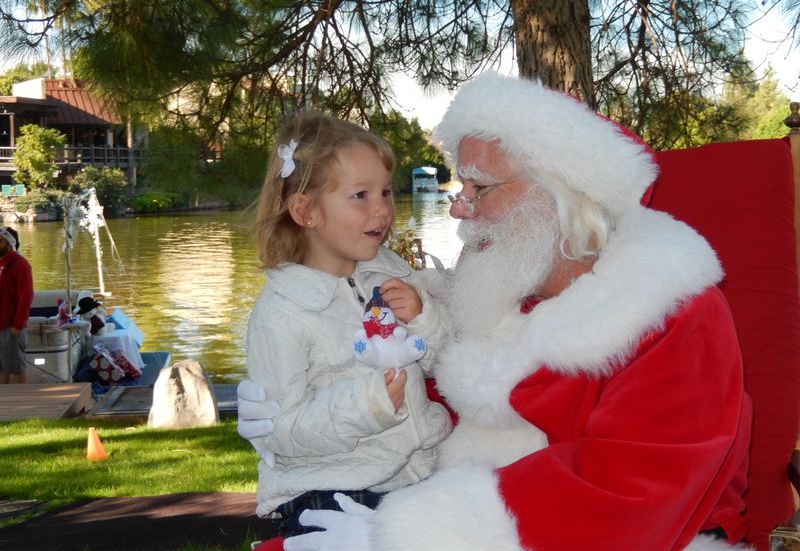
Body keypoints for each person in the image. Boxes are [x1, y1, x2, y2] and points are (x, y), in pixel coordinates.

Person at [240, 72, 752, 550]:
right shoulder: (497, 291)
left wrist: (404, 530)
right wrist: (299, 420)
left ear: (559, 192)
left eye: (479, 188)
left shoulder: (673, 313)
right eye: (461, 189)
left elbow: (631, 491)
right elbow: (423, 387)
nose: (459, 209)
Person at [240, 110, 452, 538]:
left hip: (420, 468)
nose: (383, 209)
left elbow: (444, 364)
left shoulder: (392, 272)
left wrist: (426, 318)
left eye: (387, 192)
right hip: (329, 485)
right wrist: (367, 405)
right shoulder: (281, 315)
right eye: (361, 195)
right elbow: (281, 430)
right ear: (306, 211)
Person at [0, 226, 34, 384]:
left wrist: (18, 324)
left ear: (9, 243)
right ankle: (5, 402)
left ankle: (22, 402)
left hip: (11, 326)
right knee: (2, 369)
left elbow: (25, 296)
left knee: (16, 368)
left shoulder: (19, 264)